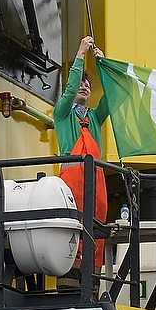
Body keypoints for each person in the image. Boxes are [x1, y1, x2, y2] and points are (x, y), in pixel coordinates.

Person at [53, 36, 110, 268]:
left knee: (94, 234)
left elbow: (111, 98)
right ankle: (71, 280)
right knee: (71, 236)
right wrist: (80, 55)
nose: (85, 86)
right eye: (80, 83)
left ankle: (93, 282)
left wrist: (104, 67)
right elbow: (68, 92)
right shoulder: (63, 113)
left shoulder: (94, 117)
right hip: (71, 187)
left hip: (96, 186)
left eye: (88, 84)